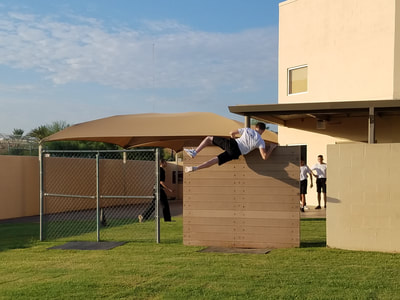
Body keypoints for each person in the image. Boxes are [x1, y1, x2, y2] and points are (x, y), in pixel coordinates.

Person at [184, 122, 277, 173]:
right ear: (263, 131)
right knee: (215, 160)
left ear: (255, 127)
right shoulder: (261, 141)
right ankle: (195, 168)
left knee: (209, 138)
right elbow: (264, 157)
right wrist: (272, 148)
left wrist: (232, 140)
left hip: (233, 144)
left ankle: (195, 152)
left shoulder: (248, 130)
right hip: (236, 153)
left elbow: (231, 133)